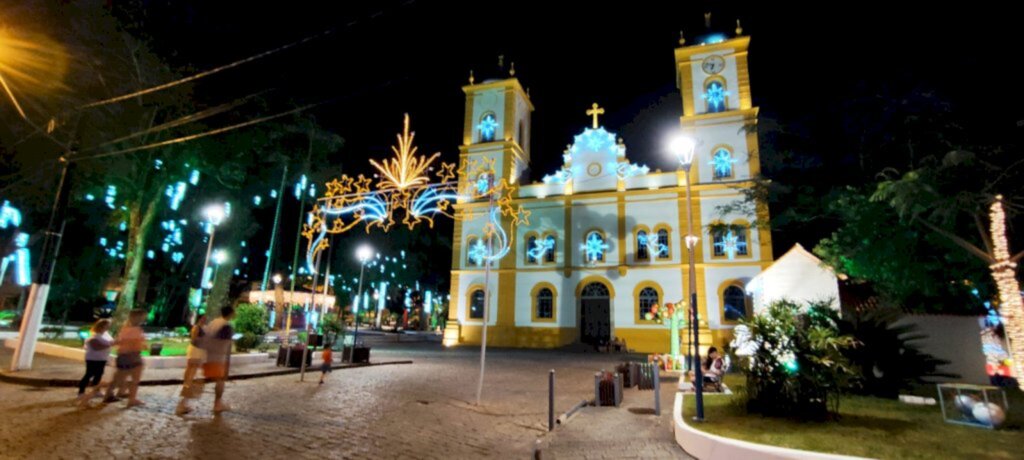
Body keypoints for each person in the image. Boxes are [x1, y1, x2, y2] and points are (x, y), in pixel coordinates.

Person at [104, 309, 147, 407]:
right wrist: (143, 345)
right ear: (139, 317)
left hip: (122, 356)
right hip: (133, 356)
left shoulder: (124, 328)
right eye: (143, 316)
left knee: (117, 378)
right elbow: (135, 344)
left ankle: (109, 394)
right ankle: (132, 399)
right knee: (135, 380)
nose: (145, 318)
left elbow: (118, 341)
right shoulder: (137, 330)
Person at [203, 305, 236, 413]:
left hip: (208, 355)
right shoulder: (226, 326)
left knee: (207, 379)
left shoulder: (213, 322)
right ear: (230, 313)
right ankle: (217, 403)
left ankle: (217, 403)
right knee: (220, 380)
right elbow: (225, 343)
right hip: (219, 357)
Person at [175, 315, 207, 415]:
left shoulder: (202, 328)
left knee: (191, 373)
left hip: (198, 351)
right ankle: (183, 402)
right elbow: (194, 340)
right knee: (191, 374)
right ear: (199, 319)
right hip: (195, 351)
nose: (204, 320)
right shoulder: (196, 328)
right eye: (203, 318)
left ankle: (184, 401)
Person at [77, 319, 113, 406]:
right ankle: (81, 392)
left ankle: (96, 390)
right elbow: (97, 347)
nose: (109, 326)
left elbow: (110, 342)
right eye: (107, 325)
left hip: (102, 358)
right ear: (102, 326)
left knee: (99, 374)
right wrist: (111, 344)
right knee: (89, 374)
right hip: (93, 358)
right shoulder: (94, 336)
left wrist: (111, 343)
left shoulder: (106, 334)